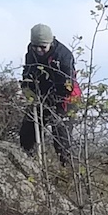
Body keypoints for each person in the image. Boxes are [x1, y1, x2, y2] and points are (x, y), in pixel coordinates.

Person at [19, 22, 79, 164]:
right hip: (41, 97)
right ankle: (30, 165)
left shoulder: (64, 56)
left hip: (66, 99)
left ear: (50, 43)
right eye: (35, 46)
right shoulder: (31, 51)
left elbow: (66, 87)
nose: (38, 50)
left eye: (42, 47)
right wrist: (28, 90)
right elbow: (28, 73)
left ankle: (68, 172)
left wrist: (48, 102)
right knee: (27, 133)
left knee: (61, 138)